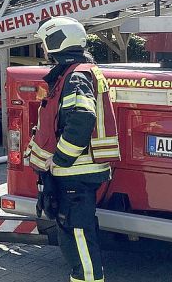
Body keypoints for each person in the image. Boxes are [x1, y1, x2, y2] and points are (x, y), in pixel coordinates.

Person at [29, 17, 120, 282]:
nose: (43, 50)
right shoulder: (79, 71)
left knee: (78, 234)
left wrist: (60, 159)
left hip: (76, 171)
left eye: (45, 43)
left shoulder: (76, 74)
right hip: (80, 171)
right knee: (74, 233)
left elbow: (82, 117)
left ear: (56, 41)